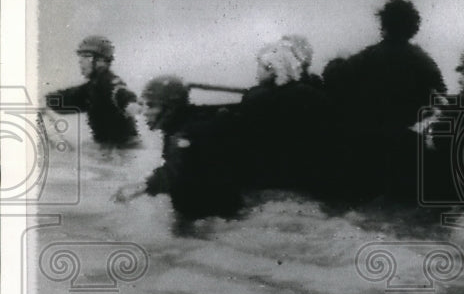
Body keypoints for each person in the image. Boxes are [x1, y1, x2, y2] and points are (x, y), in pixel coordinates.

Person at [321, 0, 446, 203]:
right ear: (413, 27)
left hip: (368, 147)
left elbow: (333, 78)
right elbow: (440, 99)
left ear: (383, 25)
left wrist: (336, 60)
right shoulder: (424, 61)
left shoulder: (368, 57)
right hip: (408, 149)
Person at [115, 76, 243, 220]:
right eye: (144, 104)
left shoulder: (185, 133)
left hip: (211, 218)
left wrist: (143, 187)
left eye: (151, 105)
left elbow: (176, 170)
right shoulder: (188, 123)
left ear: (169, 108)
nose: (145, 111)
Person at [241, 38, 335, 195]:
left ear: (271, 68)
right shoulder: (314, 95)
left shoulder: (254, 97)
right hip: (309, 178)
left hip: (266, 180)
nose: (257, 72)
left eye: (260, 66)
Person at [47, 35, 139, 148]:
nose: (81, 61)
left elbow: (119, 92)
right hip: (110, 150)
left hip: (123, 152)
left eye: (86, 56)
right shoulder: (91, 87)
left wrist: (129, 103)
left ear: (101, 61)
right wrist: (47, 100)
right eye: (81, 57)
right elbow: (70, 98)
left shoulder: (108, 81)